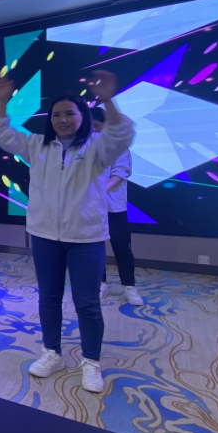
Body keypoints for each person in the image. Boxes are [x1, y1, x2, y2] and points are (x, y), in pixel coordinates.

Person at [0, 69, 134, 394]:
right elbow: (0, 135)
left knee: (87, 304)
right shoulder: (37, 145)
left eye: (70, 113)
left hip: (85, 239)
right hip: (44, 238)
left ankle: (91, 361)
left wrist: (108, 100)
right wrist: (1, 102)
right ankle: (52, 353)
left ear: (83, 116)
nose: (62, 119)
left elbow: (122, 133)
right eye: (56, 114)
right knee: (49, 298)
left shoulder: (98, 148)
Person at [91, 107, 142, 306]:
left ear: (106, 125)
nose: (93, 131)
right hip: (91, 206)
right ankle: (101, 283)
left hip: (114, 206)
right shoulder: (86, 146)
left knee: (122, 248)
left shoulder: (118, 145)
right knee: (95, 246)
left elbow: (120, 174)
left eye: (97, 126)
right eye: (90, 127)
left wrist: (100, 190)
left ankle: (129, 287)